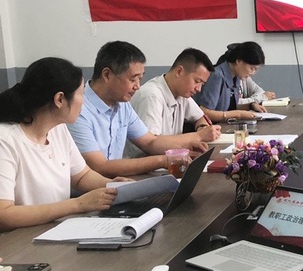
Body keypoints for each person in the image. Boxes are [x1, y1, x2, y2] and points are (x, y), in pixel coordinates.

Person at [0, 57, 118, 231]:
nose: (84, 102)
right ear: (60, 99)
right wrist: (77, 204)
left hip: (55, 230)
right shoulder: (5, 140)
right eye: (81, 94)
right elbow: (3, 214)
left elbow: (82, 176)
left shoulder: (58, 129)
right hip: (19, 240)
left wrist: (113, 186)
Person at [67, 41, 208, 178]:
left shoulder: (122, 104)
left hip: (116, 183)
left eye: (140, 79)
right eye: (133, 79)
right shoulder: (78, 110)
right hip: (91, 190)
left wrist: (181, 151)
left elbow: (149, 142)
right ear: (107, 75)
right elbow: (100, 167)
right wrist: (164, 160)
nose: (138, 86)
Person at [126, 48, 222, 157]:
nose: (199, 89)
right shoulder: (151, 96)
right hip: (145, 163)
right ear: (179, 71)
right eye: (197, 81)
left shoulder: (182, 93)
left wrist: (202, 127)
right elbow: (151, 143)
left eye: (202, 84)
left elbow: (200, 117)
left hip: (171, 159)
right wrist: (199, 136)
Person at [193, 42, 276, 123]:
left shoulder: (236, 76)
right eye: (251, 68)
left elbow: (230, 106)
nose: (253, 73)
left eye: (256, 70)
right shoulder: (217, 76)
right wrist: (238, 114)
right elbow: (205, 112)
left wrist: (251, 105)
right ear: (239, 61)